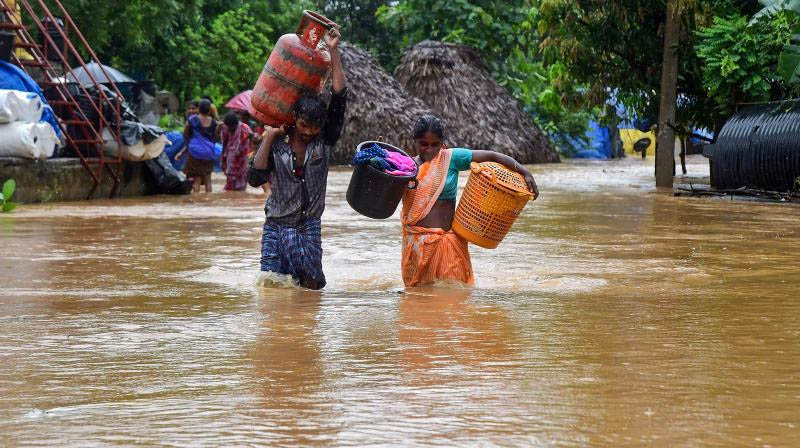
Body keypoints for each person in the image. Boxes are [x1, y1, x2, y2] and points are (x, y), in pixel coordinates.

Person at [248, 27, 346, 290]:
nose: (309, 131)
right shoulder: (278, 142)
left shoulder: (324, 141)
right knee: (271, 286)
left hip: (309, 227)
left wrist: (333, 50)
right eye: (304, 125)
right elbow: (255, 179)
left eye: (315, 127)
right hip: (276, 227)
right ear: (296, 120)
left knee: (312, 287)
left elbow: (339, 96)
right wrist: (268, 137)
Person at [400, 115, 539, 287]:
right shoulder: (406, 169)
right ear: (415, 141)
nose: (429, 149)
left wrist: (525, 173)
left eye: (435, 144)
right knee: (417, 300)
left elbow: (493, 156)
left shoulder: (451, 158)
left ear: (442, 142)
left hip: (449, 244)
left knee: (454, 296)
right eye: (424, 144)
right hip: (416, 244)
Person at [178, 99, 218, 193]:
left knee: (196, 180)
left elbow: (185, 134)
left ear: (198, 109)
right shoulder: (213, 122)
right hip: (209, 152)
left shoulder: (192, 119)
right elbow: (215, 138)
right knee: (208, 180)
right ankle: (209, 201)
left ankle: (197, 203)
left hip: (195, 152)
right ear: (209, 110)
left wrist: (190, 144)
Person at [220, 112, 254, 191]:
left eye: (232, 126)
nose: (230, 128)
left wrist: (252, 157)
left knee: (242, 178)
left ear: (236, 123)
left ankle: (240, 195)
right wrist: (223, 158)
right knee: (230, 177)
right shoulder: (225, 128)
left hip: (243, 157)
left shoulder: (245, 128)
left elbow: (252, 142)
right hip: (231, 157)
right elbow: (224, 144)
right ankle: (231, 196)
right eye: (228, 126)